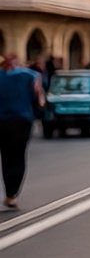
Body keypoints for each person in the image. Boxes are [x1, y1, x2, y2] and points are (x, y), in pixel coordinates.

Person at [0, 54, 44, 210]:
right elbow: (40, 99)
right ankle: (12, 195)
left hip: (2, 121)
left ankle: (10, 193)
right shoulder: (30, 75)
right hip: (22, 121)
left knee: (5, 158)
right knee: (17, 157)